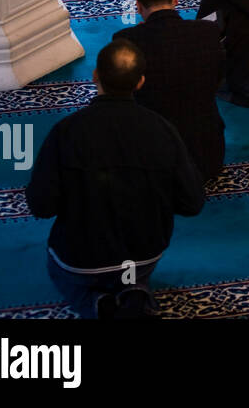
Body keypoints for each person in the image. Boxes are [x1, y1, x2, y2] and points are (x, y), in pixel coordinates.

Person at [26, 40, 206, 319]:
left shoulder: (67, 132)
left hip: (80, 259)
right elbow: (192, 203)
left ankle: (98, 305)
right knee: (131, 271)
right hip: (144, 254)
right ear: (140, 82)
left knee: (61, 273)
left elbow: (41, 205)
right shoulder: (162, 130)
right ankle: (133, 293)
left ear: (95, 75)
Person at [113, 0, 226, 181]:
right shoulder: (207, 32)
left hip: (153, 164)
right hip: (207, 158)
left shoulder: (125, 42)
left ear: (137, 5)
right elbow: (218, 79)